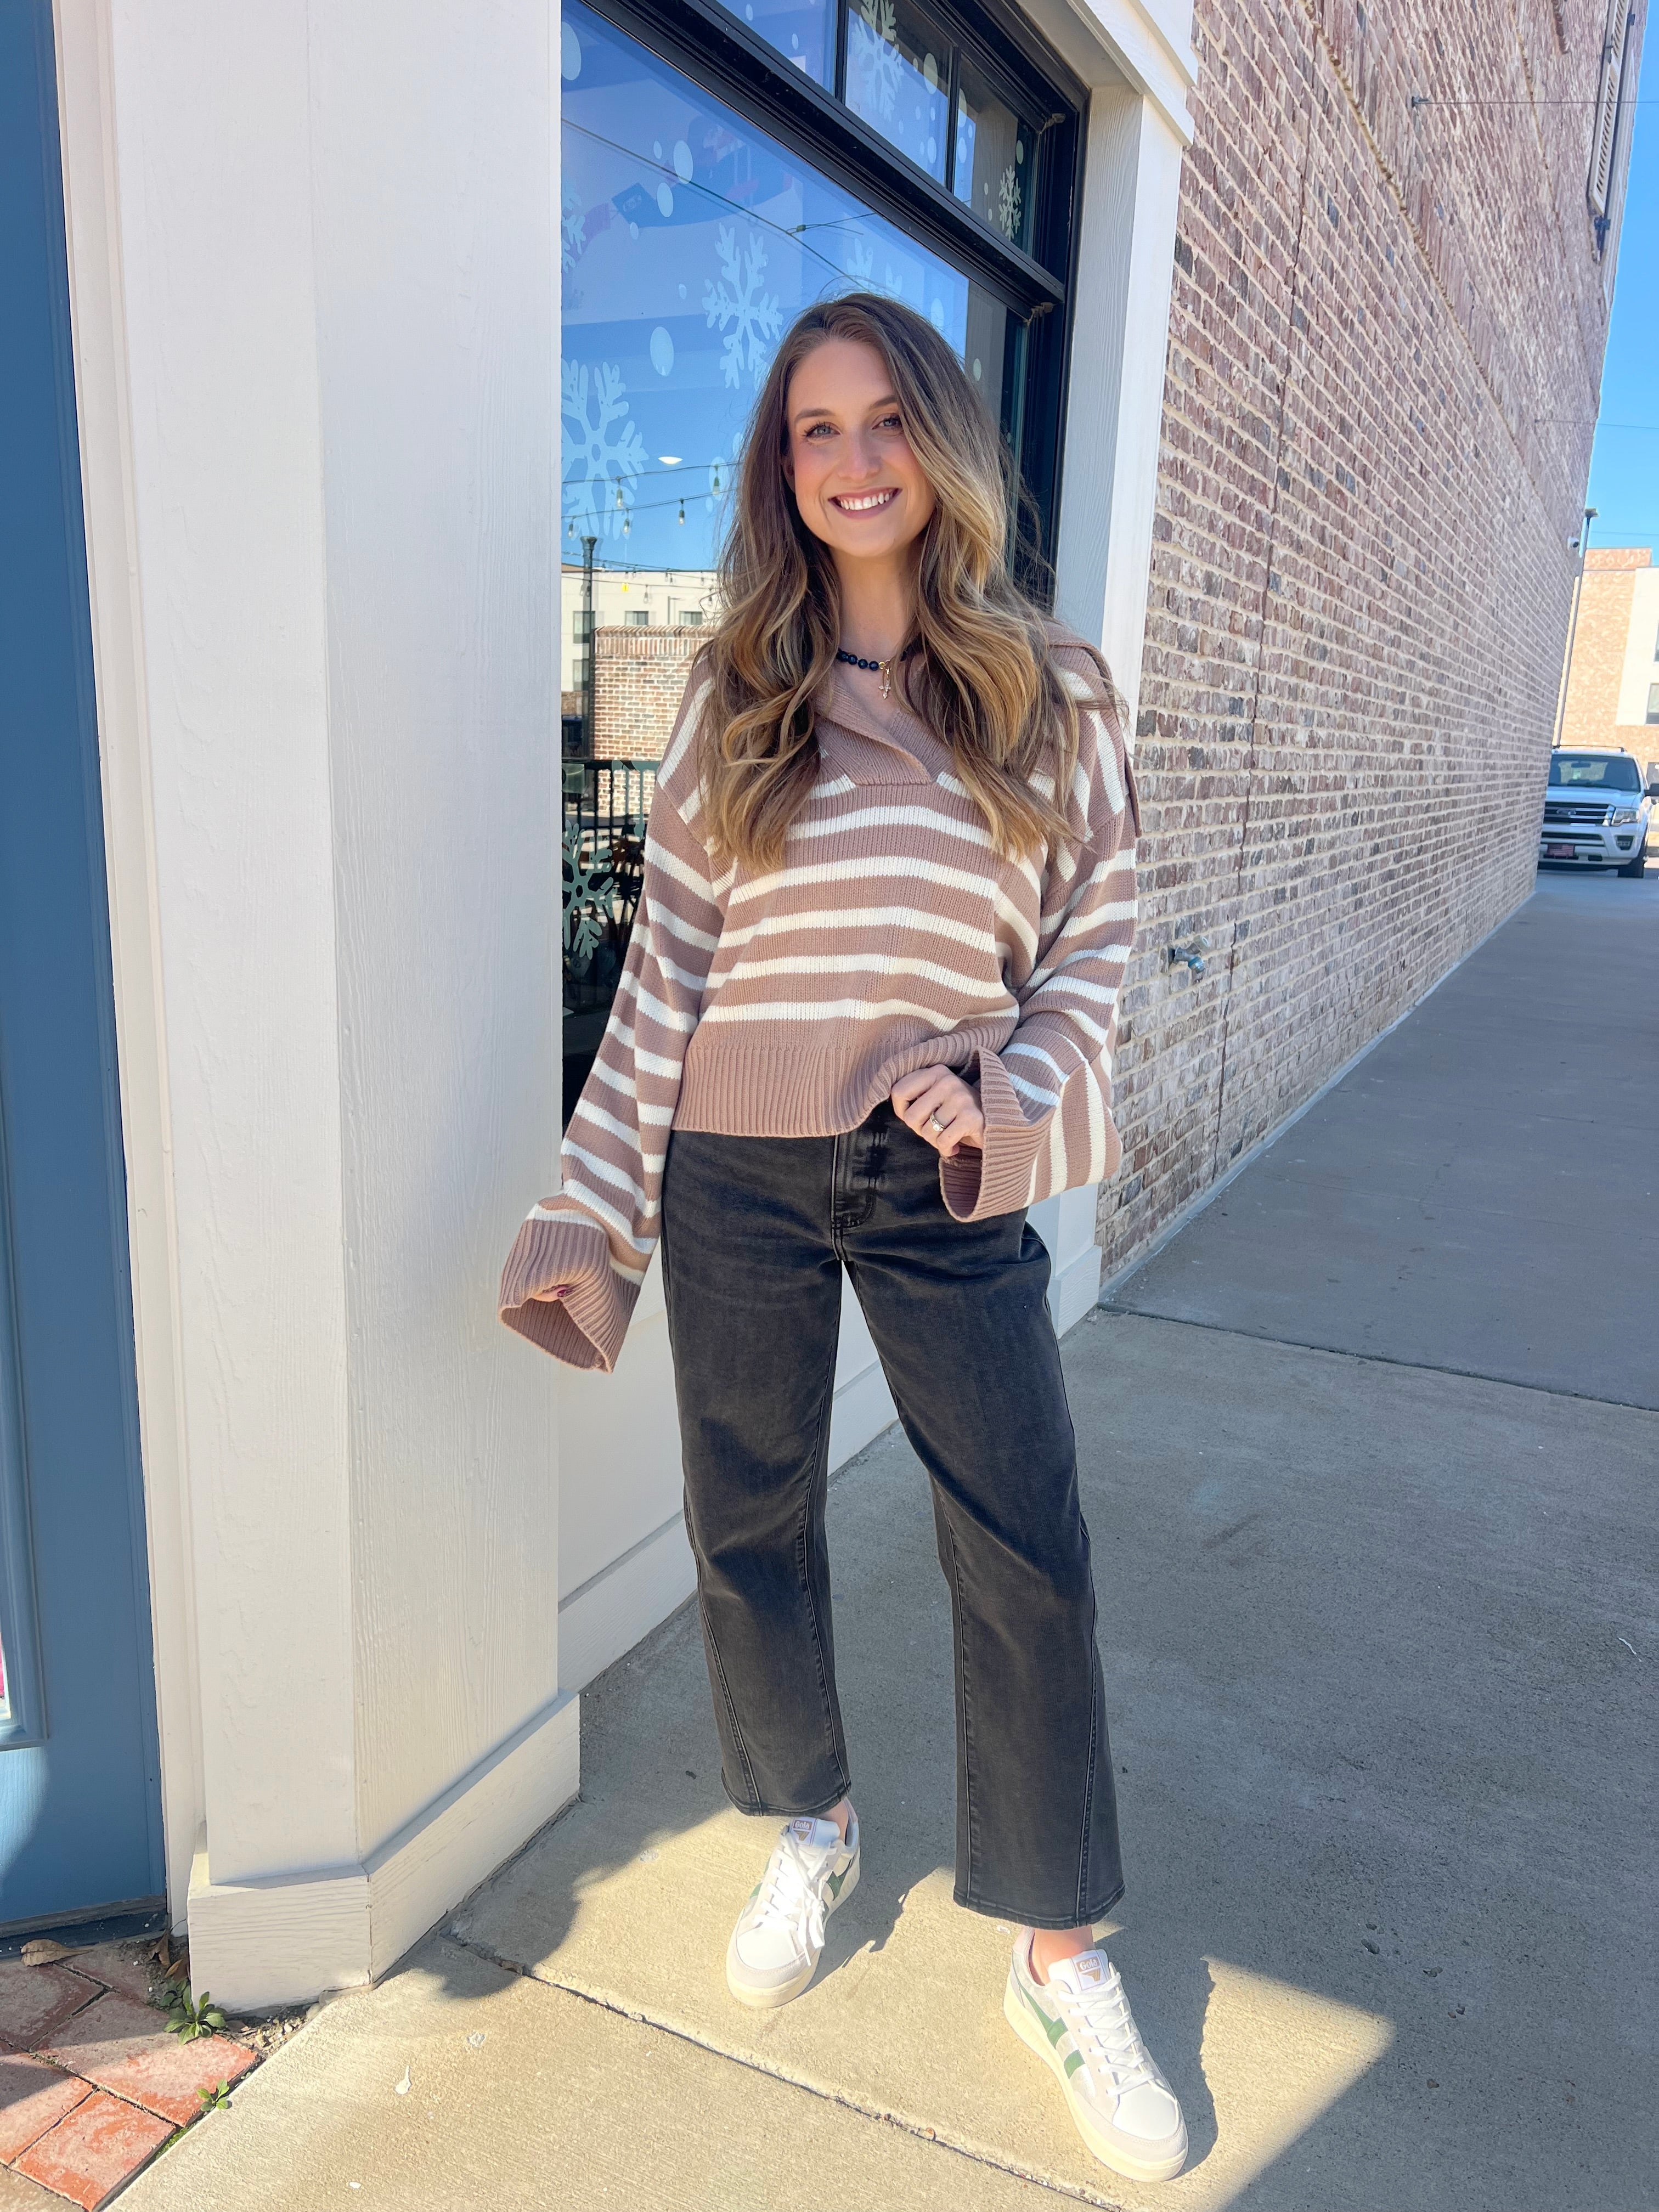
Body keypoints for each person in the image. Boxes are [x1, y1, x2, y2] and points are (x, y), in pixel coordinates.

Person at [501, 293, 1186, 2185]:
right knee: (748, 1517)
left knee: (1024, 1540)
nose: (856, 460)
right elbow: (669, 974)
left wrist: (1012, 1086)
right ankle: (811, 1825)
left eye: (887, 420)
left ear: (939, 441)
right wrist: (590, 1199)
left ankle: (1059, 1951)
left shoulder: (1050, 686)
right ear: (780, 467)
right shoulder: (737, 689)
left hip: (935, 1164)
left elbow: (1097, 939)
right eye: (817, 429)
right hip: (735, 1159)